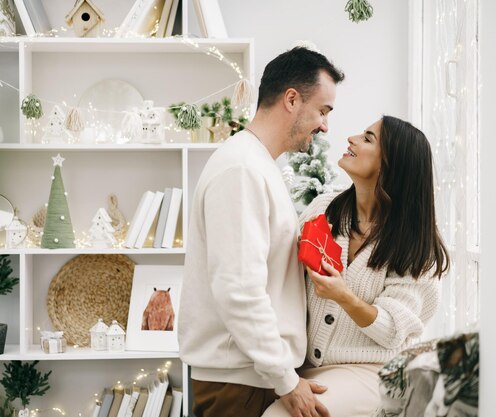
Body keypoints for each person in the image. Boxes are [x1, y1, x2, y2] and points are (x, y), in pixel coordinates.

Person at [178, 46, 345, 417]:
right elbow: (238, 289)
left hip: (253, 376)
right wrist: (285, 379)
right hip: (239, 384)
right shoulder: (241, 169)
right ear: (291, 99)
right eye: (323, 110)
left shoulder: (257, 164)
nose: (325, 126)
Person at [262, 115, 450, 417]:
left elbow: (392, 330)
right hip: (303, 365)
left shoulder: (417, 248)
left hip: (370, 372)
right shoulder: (325, 208)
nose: (351, 138)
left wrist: (343, 296)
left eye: (367, 138)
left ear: (392, 164)